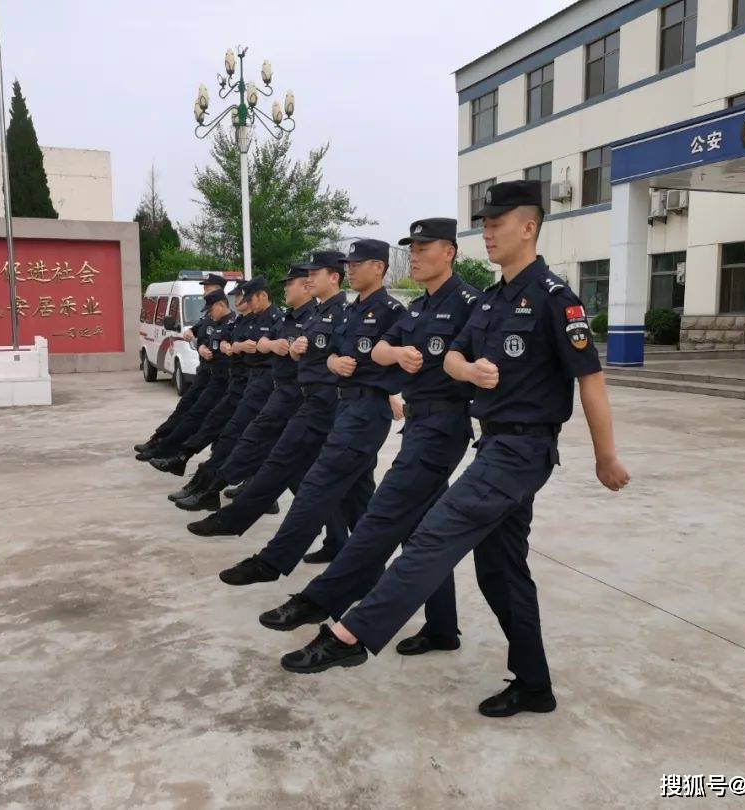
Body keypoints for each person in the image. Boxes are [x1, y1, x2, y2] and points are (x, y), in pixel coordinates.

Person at [278, 180, 631, 720]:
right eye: (484, 225)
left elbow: (591, 381)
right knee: (501, 569)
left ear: (529, 227)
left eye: (498, 224)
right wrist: (467, 368)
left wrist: (607, 456)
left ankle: (351, 636)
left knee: (434, 533)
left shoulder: (556, 300)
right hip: (493, 442)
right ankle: (534, 684)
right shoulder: (491, 300)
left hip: (523, 450)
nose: (488, 233)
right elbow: (451, 359)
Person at [258, 218, 478, 658]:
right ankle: (442, 628)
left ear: (449, 252)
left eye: (423, 247)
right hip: (417, 422)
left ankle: (323, 601)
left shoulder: (471, 304)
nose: (413, 255)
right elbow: (380, 350)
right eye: (410, 248)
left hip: (443, 427)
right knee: (420, 528)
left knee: (381, 516)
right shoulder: (417, 308)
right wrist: (395, 353)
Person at [214, 239, 406, 587]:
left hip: (358, 411)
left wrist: (387, 391)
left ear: (378, 268)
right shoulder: (351, 313)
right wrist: (332, 360)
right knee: (358, 497)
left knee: (317, 483)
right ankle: (370, 573)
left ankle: (271, 560)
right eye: (348, 264)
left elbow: (397, 356)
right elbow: (332, 356)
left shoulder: (393, 310)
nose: (351, 269)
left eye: (357, 264)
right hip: (344, 405)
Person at [186, 251, 354, 553]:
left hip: (323, 403)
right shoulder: (314, 314)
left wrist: (386, 394)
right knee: (299, 472)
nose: (288, 288)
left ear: (331, 277)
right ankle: (336, 542)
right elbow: (291, 350)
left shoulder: (343, 313)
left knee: (307, 471)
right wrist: (284, 347)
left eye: (304, 278)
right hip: (299, 397)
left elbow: (353, 357)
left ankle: (221, 501)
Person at [172, 267, 313, 511]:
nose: (286, 289)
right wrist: (268, 344)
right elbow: (264, 343)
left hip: (283, 391)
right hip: (265, 387)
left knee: (254, 443)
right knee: (247, 441)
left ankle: (212, 488)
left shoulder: (300, 317)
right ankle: (211, 488)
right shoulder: (284, 318)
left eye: (290, 284)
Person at [155, 279, 280, 478]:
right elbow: (226, 341)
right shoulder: (245, 320)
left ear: (263, 296)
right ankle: (184, 459)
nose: (241, 302)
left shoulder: (275, 319)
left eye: (245, 298)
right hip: (239, 382)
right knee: (221, 426)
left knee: (241, 435)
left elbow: (268, 348)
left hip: (258, 385)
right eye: (240, 297)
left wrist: (242, 347)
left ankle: (204, 477)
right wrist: (227, 346)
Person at [140, 285, 236, 463]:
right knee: (186, 409)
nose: (204, 293)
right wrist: (200, 346)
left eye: (208, 290)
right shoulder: (211, 319)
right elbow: (200, 337)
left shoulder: (232, 324)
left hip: (223, 380)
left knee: (205, 420)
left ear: (221, 304)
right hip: (206, 375)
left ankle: (172, 452)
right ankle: (161, 444)